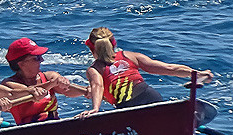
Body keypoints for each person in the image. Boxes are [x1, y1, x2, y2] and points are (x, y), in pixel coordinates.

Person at [84, 27, 215, 114]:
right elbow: (169, 68)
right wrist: (197, 73)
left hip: (127, 108)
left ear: (92, 49)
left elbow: (98, 85)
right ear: (113, 44)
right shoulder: (130, 56)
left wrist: (95, 108)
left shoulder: (94, 69)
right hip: (150, 97)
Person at [2, 37, 87, 124]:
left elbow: (67, 90)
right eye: (36, 58)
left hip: (55, 126)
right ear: (21, 64)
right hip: (28, 131)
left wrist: (86, 91)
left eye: (40, 57)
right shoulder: (9, 84)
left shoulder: (48, 76)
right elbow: (29, 91)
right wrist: (52, 83)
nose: (41, 60)